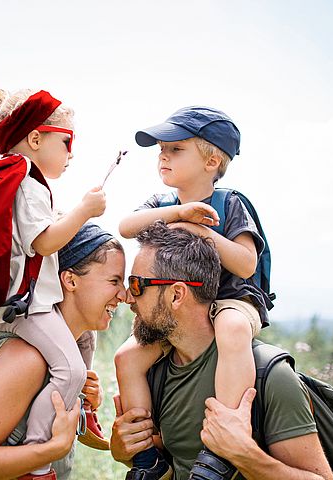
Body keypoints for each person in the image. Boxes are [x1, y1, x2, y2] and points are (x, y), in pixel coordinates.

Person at [114, 107, 271, 479]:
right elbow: (125, 226)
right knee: (126, 358)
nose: (162, 156)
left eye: (175, 149)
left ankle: (222, 447)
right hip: (180, 307)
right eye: (161, 150)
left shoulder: (231, 204)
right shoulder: (163, 206)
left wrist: (203, 233)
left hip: (230, 301)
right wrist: (180, 214)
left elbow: (246, 264)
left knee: (232, 329)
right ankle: (147, 456)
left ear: (212, 159)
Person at [111, 222, 333, 480]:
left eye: (137, 285)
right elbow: (176, 461)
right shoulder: (156, 373)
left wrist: (245, 455)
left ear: (176, 295)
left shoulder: (271, 377)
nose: (129, 297)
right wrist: (124, 451)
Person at [0, 88, 110, 476]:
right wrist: (84, 211)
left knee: (83, 340)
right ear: (36, 139)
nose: (71, 153)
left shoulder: (25, 182)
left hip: (30, 300)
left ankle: (82, 411)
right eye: (66, 141)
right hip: (26, 304)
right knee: (70, 370)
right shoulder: (28, 183)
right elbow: (43, 241)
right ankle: (37, 460)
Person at [0, 223, 127, 480]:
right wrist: (51, 450)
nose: (124, 295)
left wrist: (80, 402)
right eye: (114, 281)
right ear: (70, 280)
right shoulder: (27, 360)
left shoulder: (67, 356)